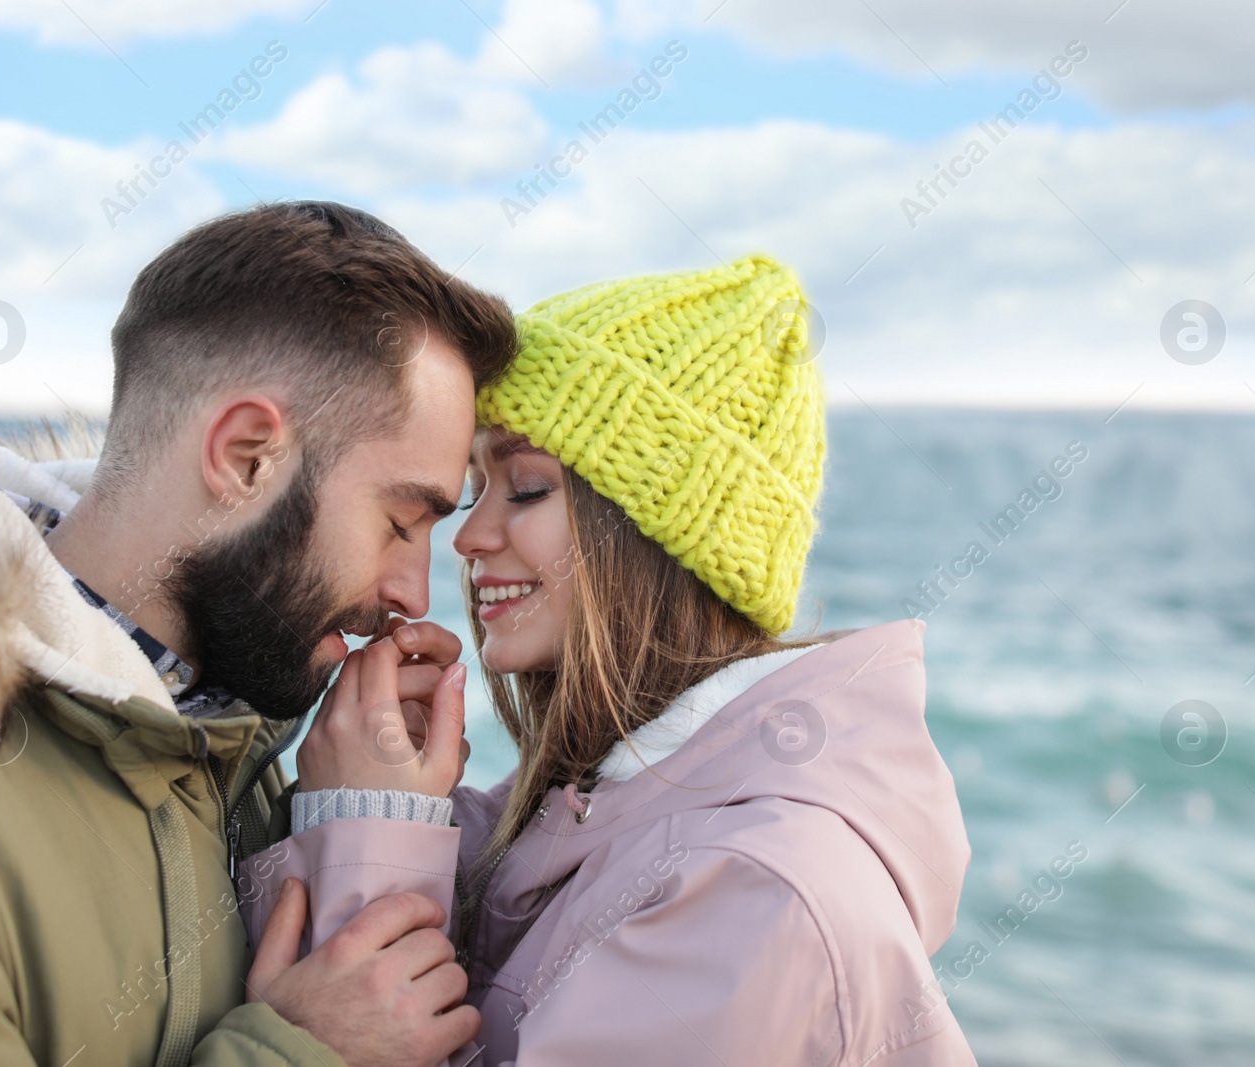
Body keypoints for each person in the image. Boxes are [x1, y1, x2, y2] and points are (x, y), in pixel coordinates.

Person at [0, 202, 516, 1066]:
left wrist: (352, 812)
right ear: (246, 456)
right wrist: (296, 1056)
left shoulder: (223, 750)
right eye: (401, 522)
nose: (410, 591)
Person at [242, 256, 979, 1064]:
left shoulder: (756, 894)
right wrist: (379, 809)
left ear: (659, 538)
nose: (468, 535)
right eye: (475, 484)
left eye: (524, 489)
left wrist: (375, 838)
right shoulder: (569, 821)